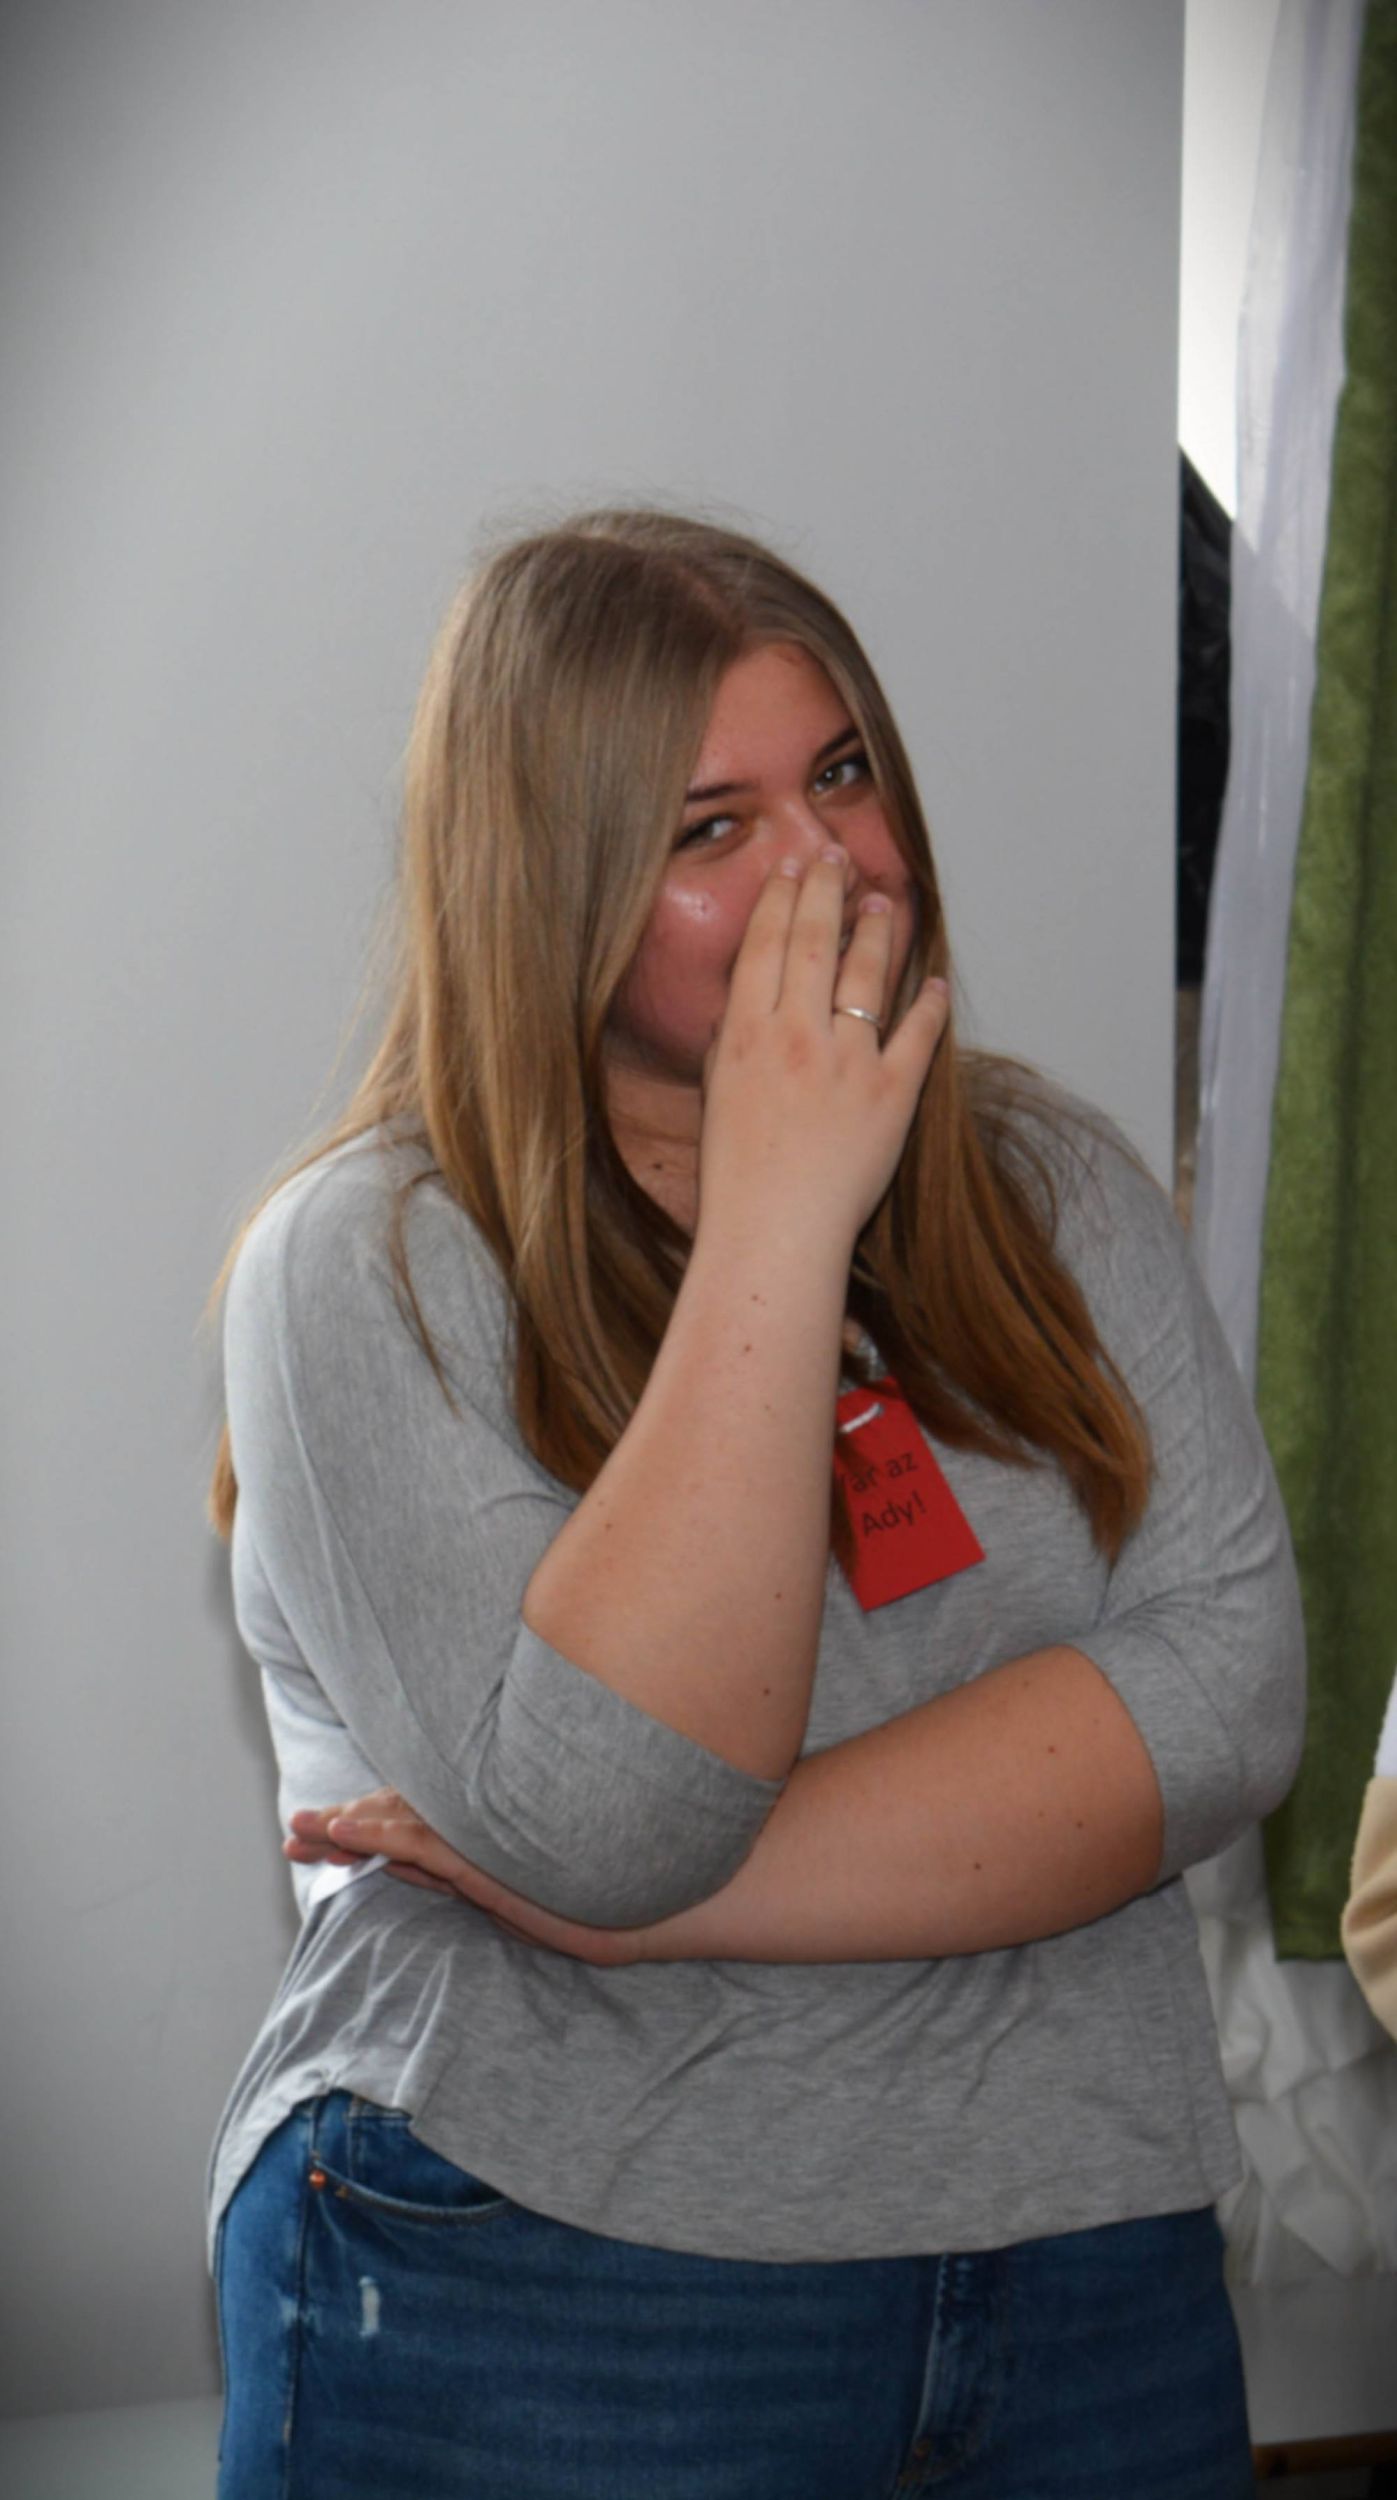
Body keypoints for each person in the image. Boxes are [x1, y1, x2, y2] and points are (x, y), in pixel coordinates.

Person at [208, 509, 1305, 2500]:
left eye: (845, 773)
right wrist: (782, 1213)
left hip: (1086, 2257)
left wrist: (640, 1920)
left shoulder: (1050, 1188)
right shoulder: (365, 1262)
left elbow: (1229, 1701)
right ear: (550, 884)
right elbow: (615, 1810)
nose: (829, 865)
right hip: (551, 2275)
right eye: (711, 826)